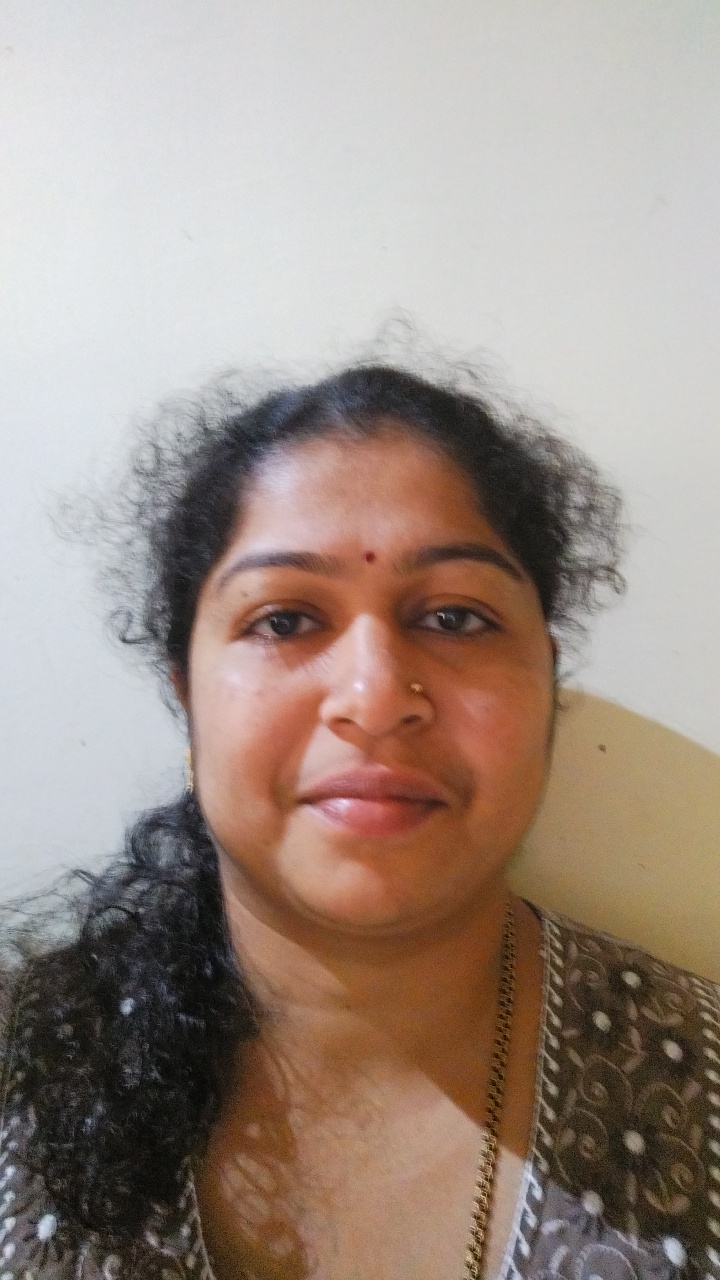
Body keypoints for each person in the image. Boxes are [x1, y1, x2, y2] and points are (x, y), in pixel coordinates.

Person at [1, 363, 718, 1280]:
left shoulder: (702, 1085)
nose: (375, 697)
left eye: (455, 617)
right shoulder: (21, 1069)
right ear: (187, 695)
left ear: (546, 686)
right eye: (285, 620)